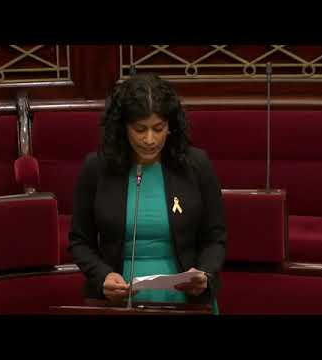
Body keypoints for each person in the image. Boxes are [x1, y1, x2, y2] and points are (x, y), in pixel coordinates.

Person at [68, 73, 226, 314]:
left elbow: (215, 238)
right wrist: (103, 276)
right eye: (140, 129)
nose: (150, 139)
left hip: (185, 300)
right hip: (119, 302)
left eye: (158, 128)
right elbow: (79, 241)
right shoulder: (96, 168)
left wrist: (204, 274)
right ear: (123, 127)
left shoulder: (196, 166)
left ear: (170, 126)